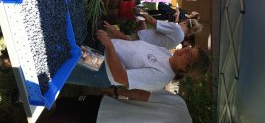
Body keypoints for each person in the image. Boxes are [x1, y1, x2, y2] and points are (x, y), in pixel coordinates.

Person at [67, 30, 210, 91]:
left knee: (58, 67)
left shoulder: (160, 77)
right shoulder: (166, 53)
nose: (184, 50)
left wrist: (110, 46)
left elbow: (120, 77)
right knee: (63, 54)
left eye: (188, 56)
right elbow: (136, 46)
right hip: (101, 52)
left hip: (101, 67)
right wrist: (117, 35)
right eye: (189, 48)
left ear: (185, 70)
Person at [37, 89, 193, 123]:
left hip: (105, 108)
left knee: (66, 105)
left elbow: (140, 95)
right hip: (105, 111)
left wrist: (116, 90)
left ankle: (31, 99)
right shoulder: (179, 105)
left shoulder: (179, 104)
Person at [106, 13, 203, 50]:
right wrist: (142, 22)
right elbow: (155, 40)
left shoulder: (176, 29)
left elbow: (152, 21)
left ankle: (105, 32)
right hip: (143, 48)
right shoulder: (179, 39)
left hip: (139, 40)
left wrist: (142, 13)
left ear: (186, 22)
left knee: (117, 38)